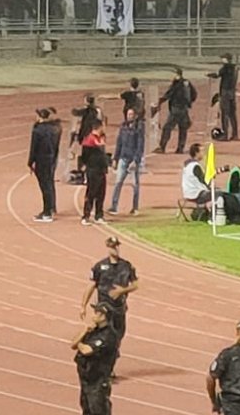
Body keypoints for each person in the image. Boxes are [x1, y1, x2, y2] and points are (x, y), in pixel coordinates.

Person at [80, 235, 139, 372]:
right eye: (113, 247)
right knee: (102, 337)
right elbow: (91, 286)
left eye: (117, 246)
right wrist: (83, 305)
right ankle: (100, 367)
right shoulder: (100, 267)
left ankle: (109, 366)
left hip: (119, 309)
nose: (116, 249)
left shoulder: (126, 266)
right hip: (103, 310)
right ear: (108, 248)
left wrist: (122, 290)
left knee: (117, 338)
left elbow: (135, 284)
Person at [70, 302, 118, 415]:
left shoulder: (108, 335)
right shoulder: (93, 330)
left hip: (98, 380)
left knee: (98, 410)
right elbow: (73, 344)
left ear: (104, 316)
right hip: (87, 378)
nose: (94, 315)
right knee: (87, 409)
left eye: (97, 312)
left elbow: (87, 350)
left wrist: (80, 343)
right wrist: (84, 331)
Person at [109, 107, 143, 215]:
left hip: (133, 160)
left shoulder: (139, 128)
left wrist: (136, 160)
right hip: (123, 158)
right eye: (128, 114)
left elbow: (140, 146)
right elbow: (119, 143)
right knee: (118, 182)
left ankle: (135, 208)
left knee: (135, 185)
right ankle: (114, 207)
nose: (129, 116)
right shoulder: (123, 127)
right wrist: (115, 158)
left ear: (135, 116)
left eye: (131, 114)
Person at [154, 69, 197, 154]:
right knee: (183, 129)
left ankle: (162, 147)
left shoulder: (176, 84)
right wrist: (189, 103)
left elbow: (168, 94)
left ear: (177, 75)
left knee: (167, 128)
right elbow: (194, 94)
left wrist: (159, 102)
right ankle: (180, 148)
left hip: (176, 109)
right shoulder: (187, 83)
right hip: (184, 109)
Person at [28, 107, 60, 221]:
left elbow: (34, 147)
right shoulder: (55, 129)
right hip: (51, 159)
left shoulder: (37, 130)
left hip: (41, 160)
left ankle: (47, 213)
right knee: (49, 184)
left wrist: (30, 162)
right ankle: (51, 208)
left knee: (45, 186)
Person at [80, 123, 109, 225]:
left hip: (101, 170)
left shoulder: (101, 138)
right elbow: (84, 156)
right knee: (91, 193)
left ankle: (99, 215)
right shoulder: (89, 140)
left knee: (101, 193)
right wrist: (87, 166)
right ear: (98, 127)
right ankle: (86, 216)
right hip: (93, 170)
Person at [209, 54, 239, 141]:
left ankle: (225, 135)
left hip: (225, 91)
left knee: (224, 113)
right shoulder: (234, 68)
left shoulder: (225, 68)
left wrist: (210, 75)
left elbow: (217, 75)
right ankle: (235, 134)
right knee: (232, 114)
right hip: (232, 91)